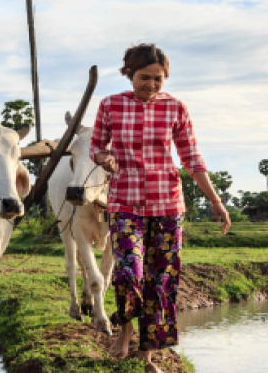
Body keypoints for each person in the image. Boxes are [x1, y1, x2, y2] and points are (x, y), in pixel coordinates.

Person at [90, 43, 231, 373]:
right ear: (130, 74)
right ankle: (125, 331)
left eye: (158, 78)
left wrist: (215, 200)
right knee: (129, 272)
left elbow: (191, 157)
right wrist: (105, 158)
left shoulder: (175, 108)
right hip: (124, 203)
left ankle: (148, 354)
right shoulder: (110, 105)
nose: (151, 84)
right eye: (144, 77)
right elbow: (96, 146)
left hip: (167, 205)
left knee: (162, 280)